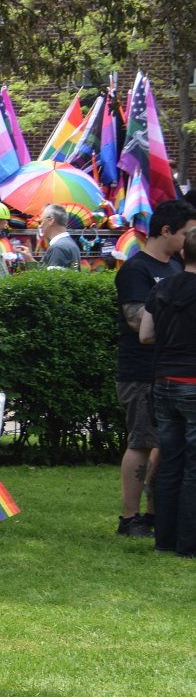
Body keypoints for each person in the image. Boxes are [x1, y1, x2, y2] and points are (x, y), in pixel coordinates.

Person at [115, 198, 196, 536]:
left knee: (165, 445)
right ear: (166, 231)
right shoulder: (137, 270)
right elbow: (137, 322)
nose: (190, 239)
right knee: (141, 442)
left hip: (167, 372)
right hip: (140, 371)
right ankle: (129, 518)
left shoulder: (177, 267)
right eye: (187, 233)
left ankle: (154, 513)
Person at [140, 226, 196, 558]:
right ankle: (188, 545)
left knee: (170, 461)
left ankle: (164, 539)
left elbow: (145, 334)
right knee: (193, 466)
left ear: (182, 252)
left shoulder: (162, 288)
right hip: (193, 383)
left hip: (163, 382)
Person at [38, 204, 81, 270]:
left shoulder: (58, 247)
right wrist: (29, 259)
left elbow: (52, 276)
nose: (40, 226)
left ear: (51, 221)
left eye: (40, 221)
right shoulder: (70, 244)